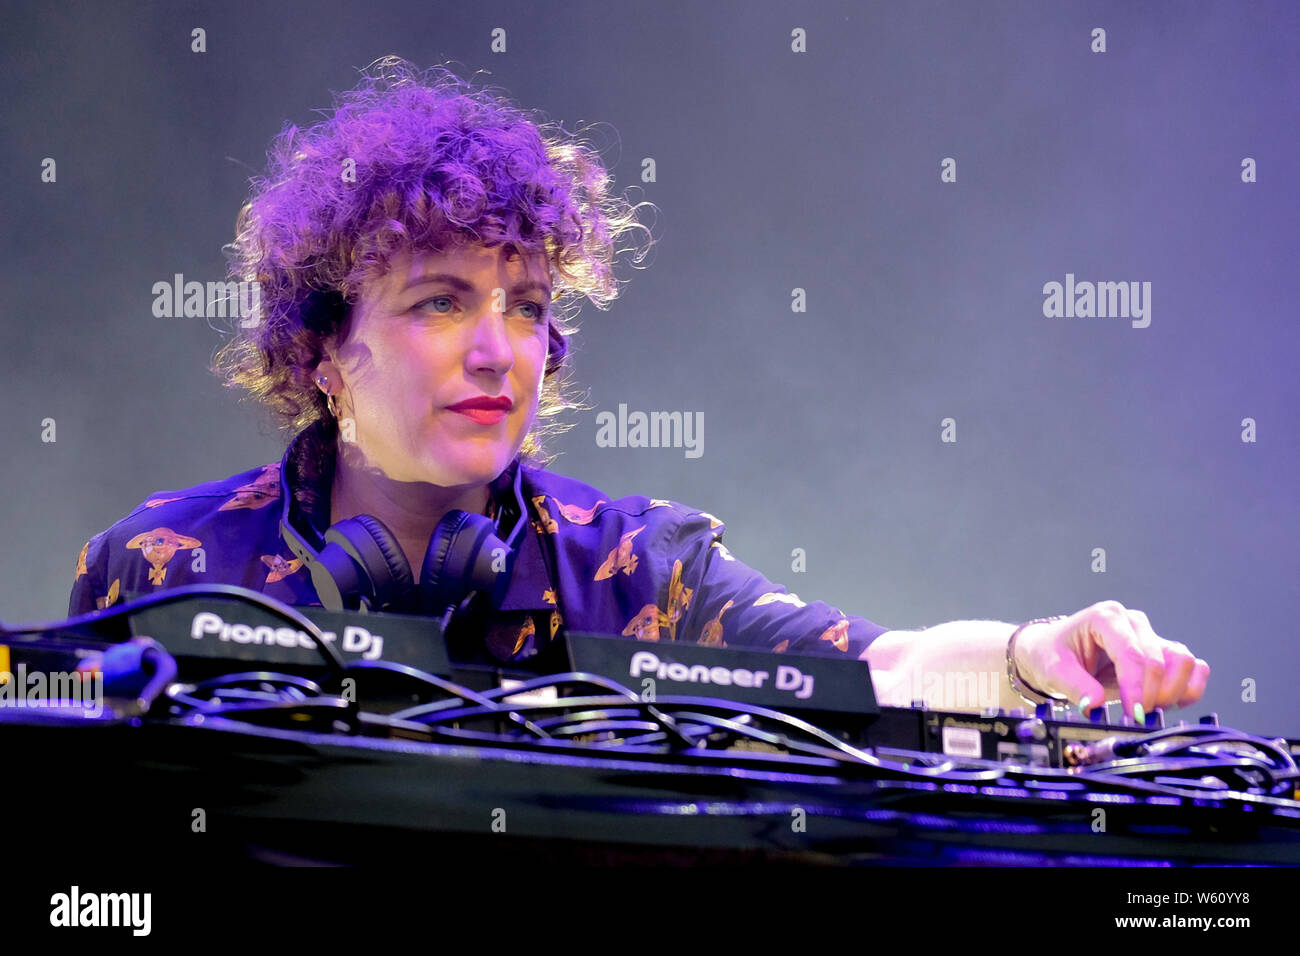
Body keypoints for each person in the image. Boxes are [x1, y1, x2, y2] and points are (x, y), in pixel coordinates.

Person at [68, 56, 1209, 720]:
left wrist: (1029, 651)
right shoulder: (159, 564)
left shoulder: (637, 567)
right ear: (325, 352)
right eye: (439, 301)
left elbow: (875, 667)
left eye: (524, 304)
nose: (497, 349)